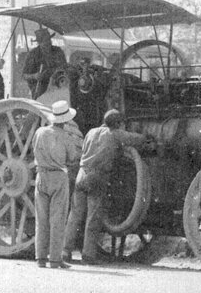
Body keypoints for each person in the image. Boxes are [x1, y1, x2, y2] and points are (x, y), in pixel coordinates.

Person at [62, 109, 152, 265]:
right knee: (93, 218)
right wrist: (148, 137)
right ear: (117, 124)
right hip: (97, 177)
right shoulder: (115, 134)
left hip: (81, 175)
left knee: (74, 215)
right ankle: (88, 255)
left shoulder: (91, 132)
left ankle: (65, 251)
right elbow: (135, 139)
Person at [32, 100, 82, 269]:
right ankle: (55, 259)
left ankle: (40, 258)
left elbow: (34, 149)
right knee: (57, 220)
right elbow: (72, 157)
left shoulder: (40, 132)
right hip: (58, 177)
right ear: (66, 120)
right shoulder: (66, 137)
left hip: (41, 176)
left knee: (41, 219)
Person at [21, 28, 67, 99]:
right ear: (39, 43)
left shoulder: (58, 51)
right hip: (40, 91)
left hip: (58, 88)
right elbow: (24, 75)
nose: (48, 42)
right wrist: (34, 76)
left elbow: (65, 67)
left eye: (49, 40)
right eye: (45, 41)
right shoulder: (33, 54)